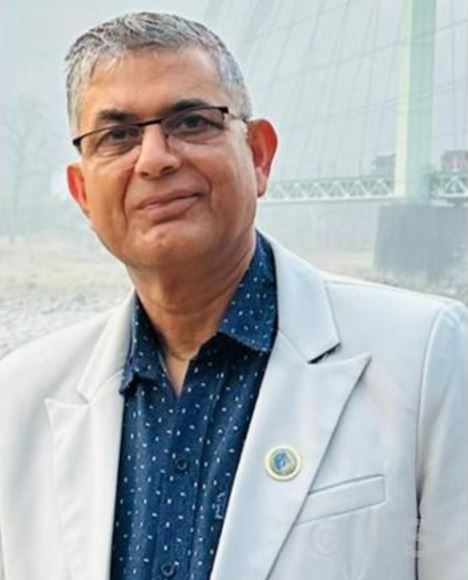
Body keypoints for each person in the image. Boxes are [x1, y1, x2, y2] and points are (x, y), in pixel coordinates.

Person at [0, 11, 465, 580]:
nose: (155, 158)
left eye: (192, 122)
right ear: (83, 195)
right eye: (118, 136)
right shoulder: (19, 400)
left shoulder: (424, 359)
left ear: (259, 155)